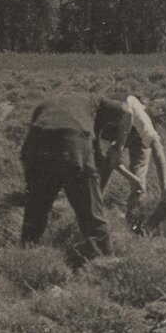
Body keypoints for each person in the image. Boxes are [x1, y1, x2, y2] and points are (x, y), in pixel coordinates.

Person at [20, 92, 133, 260]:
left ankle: (25, 258)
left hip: (37, 140)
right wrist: (119, 147)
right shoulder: (96, 100)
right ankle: (106, 262)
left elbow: (27, 155)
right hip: (73, 141)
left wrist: (33, 187)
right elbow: (127, 111)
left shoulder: (46, 103)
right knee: (91, 213)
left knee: (34, 212)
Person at [103, 95, 166, 230]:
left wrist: (165, 187)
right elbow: (112, 159)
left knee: (139, 189)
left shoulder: (142, 119)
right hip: (114, 135)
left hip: (138, 141)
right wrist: (131, 178)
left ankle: (134, 225)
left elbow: (156, 144)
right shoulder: (131, 109)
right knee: (100, 177)